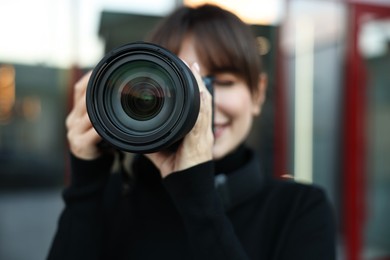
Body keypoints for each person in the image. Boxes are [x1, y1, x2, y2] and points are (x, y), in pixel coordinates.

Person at [47, 4, 336, 260]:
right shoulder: (115, 199)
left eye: (221, 81)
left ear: (258, 94)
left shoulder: (299, 210)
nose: (205, 103)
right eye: (181, 84)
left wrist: (198, 198)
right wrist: (86, 187)